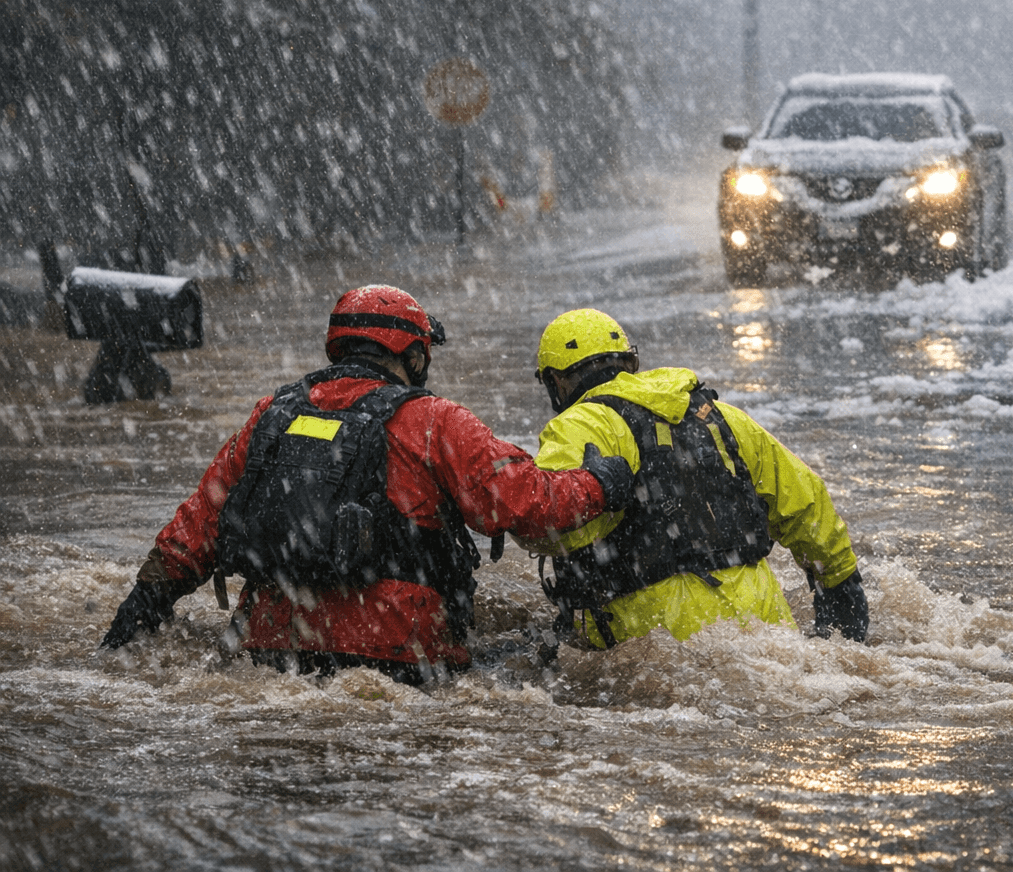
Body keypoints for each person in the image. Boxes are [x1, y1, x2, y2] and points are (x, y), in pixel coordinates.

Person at [100, 285, 634, 684]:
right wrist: (601, 483)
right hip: (397, 657)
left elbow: (193, 533)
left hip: (272, 648)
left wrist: (131, 622)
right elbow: (524, 504)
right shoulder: (433, 421)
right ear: (414, 356)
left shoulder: (273, 413)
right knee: (533, 651)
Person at [524, 308, 868, 650]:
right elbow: (806, 502)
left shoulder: (577, 427)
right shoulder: (717, 415)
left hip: (659, 636)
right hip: (765, 621)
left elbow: (542, 520)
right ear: (630, 362)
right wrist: (841, 583)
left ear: (556, 381)